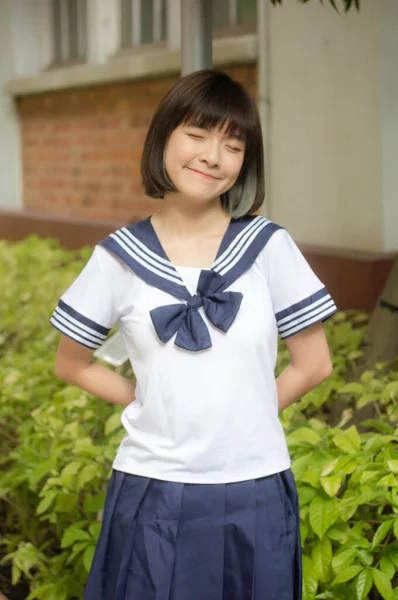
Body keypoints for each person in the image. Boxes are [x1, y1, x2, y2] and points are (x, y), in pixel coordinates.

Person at [50, 70, 336, 600]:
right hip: (152, 487)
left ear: (245, 162)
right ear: (163, 137)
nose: (213, 156)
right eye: (198, 134)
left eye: (233, 144)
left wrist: (245, 414)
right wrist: (150, 401)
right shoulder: (119, 257)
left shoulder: (268, 246)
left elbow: (314, 363)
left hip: (256, 486)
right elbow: (72, 364)